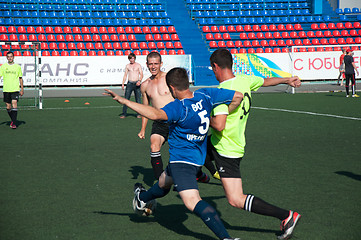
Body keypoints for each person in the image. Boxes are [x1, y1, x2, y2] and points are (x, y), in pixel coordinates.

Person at [104, 67, 243, 240]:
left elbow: (155, 114)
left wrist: (126, 102)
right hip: (198, 157)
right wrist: (220, 117)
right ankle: (142, 197)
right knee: (163, 182)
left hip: (182, 162)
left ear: (172, 87)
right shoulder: (206, 94)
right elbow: (238, 96)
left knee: (192, 201)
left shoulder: (178, 107)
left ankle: (226, 238)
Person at [205, 48, 302, 240]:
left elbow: (218, 125)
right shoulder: (244, 80)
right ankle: (162, 188)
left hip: (227, 148)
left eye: (212, 69)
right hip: (223, 143)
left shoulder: (223, 92)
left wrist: (203, 115)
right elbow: (264, 81)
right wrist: (286, 79)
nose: (213, 73)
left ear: (216, 67)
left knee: (235, 199)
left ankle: (286, 216)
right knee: (189, 153)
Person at [0, 51, 24, 129]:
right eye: (8, 57)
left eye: (11, 56)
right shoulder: (3, 67)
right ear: (7, 58)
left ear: (13, 57)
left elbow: (20, 78)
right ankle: (13, 120)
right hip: (6, 89)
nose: (10, 58)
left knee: (14, 103)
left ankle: (14, 123)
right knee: (8, 107)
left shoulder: (17, 67)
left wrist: (22, 89)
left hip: (15, 89)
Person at [120, 53, 143, 118]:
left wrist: (139, 81)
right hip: (129, 83)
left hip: (137, 83)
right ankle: (124, 113)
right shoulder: (127, 66)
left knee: (138, 99)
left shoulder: (138, 65)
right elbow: (125, 75)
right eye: (130, 58)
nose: (131, 60)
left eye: (132, 58)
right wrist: (123, 83)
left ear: (134, 58)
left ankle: (139, 114)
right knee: (126, 99)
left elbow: (141, 74)